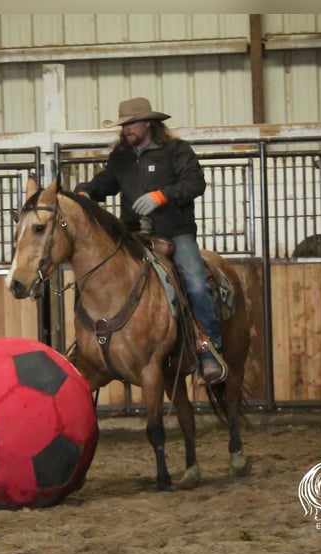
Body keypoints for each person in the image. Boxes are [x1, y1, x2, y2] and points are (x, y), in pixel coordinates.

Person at [74, 96, 227, 385]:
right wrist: (84, 192)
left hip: (175, 233)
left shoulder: (176, 151)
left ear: (148, 123)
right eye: (123, 125)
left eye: (130, 124)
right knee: (91, 279)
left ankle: (209, 351)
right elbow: (104, 184)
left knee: (194, 282)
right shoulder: (120, 158)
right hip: (133, 237)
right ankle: (83, 348)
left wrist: (163, 195)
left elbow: (195, 183)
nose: (125, 130)